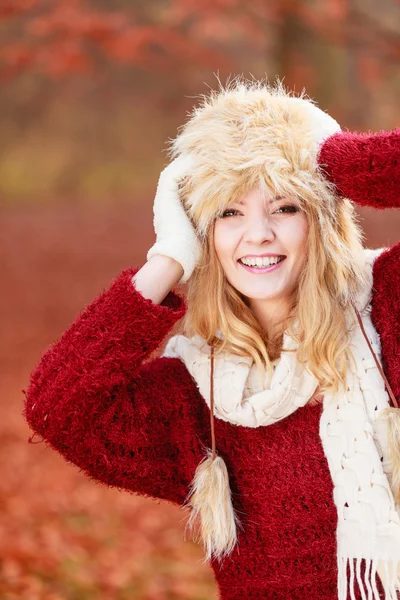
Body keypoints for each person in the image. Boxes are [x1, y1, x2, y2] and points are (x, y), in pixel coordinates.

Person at [23, 78, 400, 600]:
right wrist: (168, 260)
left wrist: (333, 158)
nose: (259, 233)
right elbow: (58, 409)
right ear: (204, 235)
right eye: (229, 212)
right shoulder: (193, 394)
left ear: (323, 219)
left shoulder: (387, 307)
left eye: (286, 207)